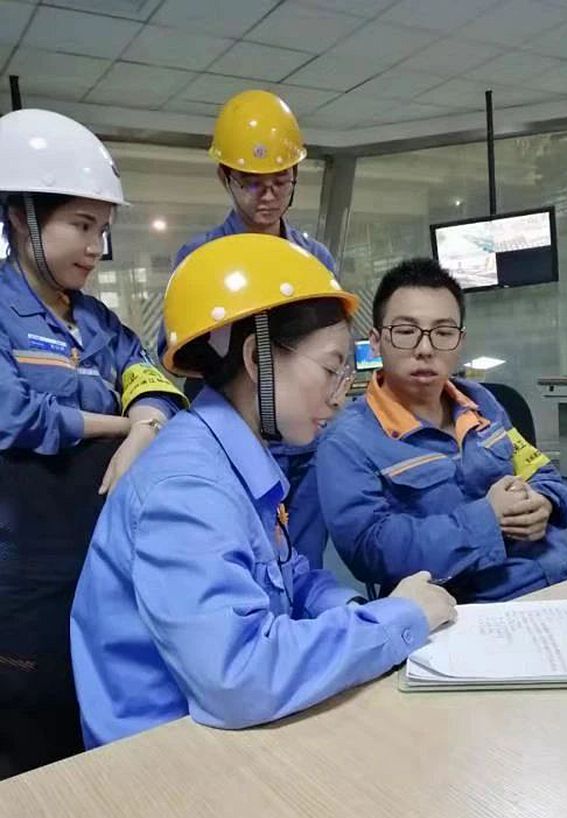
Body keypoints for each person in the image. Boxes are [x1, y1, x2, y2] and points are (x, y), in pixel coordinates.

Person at [71, 235, 455, 748]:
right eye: (330, 369)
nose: (338, 398)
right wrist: (397, 618)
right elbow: (237, 676)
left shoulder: (233, 457)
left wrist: (353, 611)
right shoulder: (189, 488)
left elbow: (290, 578)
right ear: (258, 359)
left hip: (223, 735)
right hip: (162, 758)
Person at [0, 108, 186, 778]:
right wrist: (123, 426)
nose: (94, 247)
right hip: (25, 574)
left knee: (105, 717)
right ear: (20, 217)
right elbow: (16, 416)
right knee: (34, 737)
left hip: (103, 557)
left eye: (101, 230)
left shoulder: (96, 319)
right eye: (81, 225)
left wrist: (152, 419)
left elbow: (149, 373)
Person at [317, 258, 567, 603]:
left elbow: (540, 471)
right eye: (406, 332)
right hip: (474, 608)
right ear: (375, 342)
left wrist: (545, 500)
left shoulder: (482, 403)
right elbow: (368, 550)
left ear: (460, 341)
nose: (425, 349)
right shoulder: (347, 441)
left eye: (443, 333)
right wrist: (487, 519)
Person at [167, 88, 336, 570]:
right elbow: (182, 357)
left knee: (303, 566)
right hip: (236, 440)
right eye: (252, 184)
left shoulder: (314, 260)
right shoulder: (201, 261)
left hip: (304, 443)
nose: (268, 196)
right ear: (225, 176)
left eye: (280, 182)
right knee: (244, 560)